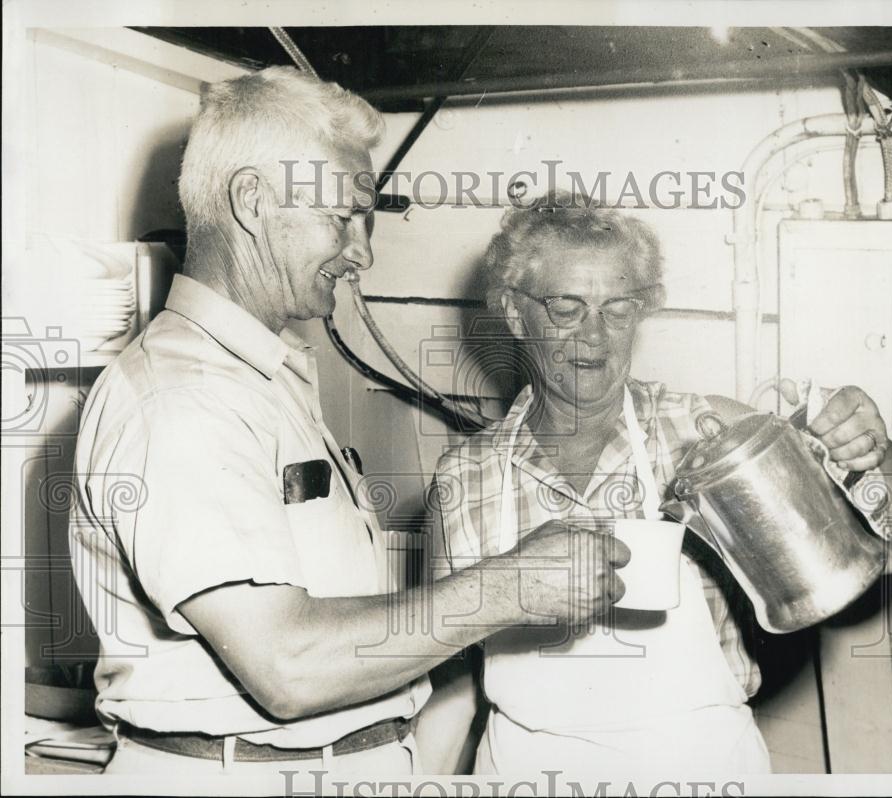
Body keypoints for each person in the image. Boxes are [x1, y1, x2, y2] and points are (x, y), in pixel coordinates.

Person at [69, 68, 628, 777]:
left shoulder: (261, 379)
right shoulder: (182, 398)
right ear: (253, 201)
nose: (363, 251)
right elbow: (289, 665)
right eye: (344, 217)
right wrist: (509, 586)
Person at [426, 192, 892, 781]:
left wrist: (867, 456)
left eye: (618, 309)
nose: (595, 335)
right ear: (516, 315)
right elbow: (455, 679)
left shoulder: (709, 434)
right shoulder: (465, 476)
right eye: (567, 308)